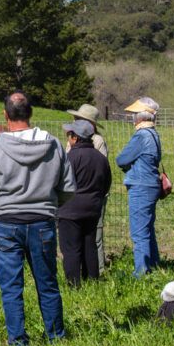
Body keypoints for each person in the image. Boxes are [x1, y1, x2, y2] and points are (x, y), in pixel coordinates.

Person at [0, 91, 76, 346]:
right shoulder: (54, 145)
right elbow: (69, 188)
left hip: (6, 224)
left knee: (11, 287)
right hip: (43, 223)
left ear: (5, 115)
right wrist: (48, 204)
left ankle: (18, 342)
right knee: (48, 283)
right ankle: (56, 339)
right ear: (31, 114)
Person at [56, 119, 111, 285]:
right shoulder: (101, 158)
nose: (68, 138)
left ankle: (74, 286)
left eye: (69, 135)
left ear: (75, 138)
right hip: (93, 209)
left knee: (71, 249)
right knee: (90, 246)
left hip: (70, 211)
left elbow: (60, 183)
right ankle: (92, 282)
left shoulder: (70, 158)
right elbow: (106, 183)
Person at [115, 97, 163, 277]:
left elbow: (121, 159)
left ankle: (141, 272)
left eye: (135, 114)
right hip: (151, 184)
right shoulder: (153, 134)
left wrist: (128, 165)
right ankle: (154, 265)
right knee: (148, 228)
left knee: (139, 232)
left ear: (140, 117)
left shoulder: (141, 136)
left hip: (140, 186)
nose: (133, 118)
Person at [65, 103, 109, 274]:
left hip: (90, 194)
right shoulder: (73, 138)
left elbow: (100, 169)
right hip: (81, 196)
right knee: (84, 237)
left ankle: (97, 270)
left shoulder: (97, 141)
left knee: (94, 236)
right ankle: (89, 273)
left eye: (78, 118)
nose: (74, 120)